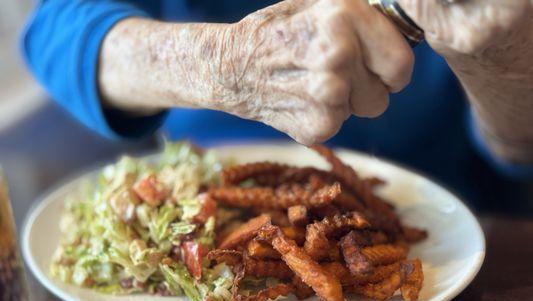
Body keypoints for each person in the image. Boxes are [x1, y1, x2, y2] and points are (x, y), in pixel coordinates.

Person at [22, 0, 533, 211]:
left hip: (454, 216)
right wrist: (227, 64)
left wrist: (501, 59)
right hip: (202, 202)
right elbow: (53, 31)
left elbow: (518, 161)